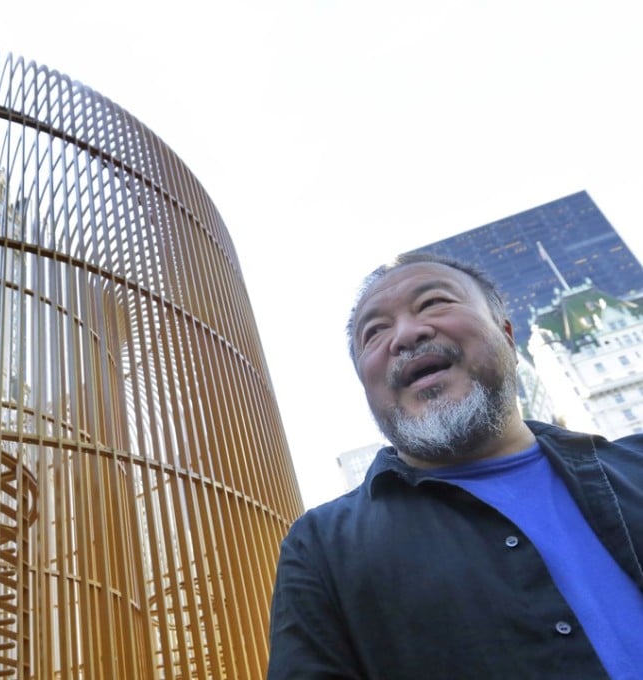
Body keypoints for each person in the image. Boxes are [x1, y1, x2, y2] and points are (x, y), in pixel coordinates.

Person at [267, 251, 643, 679]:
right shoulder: (319, 546)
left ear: (507, 336)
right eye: (374, 332)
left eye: (434, 303)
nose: (406, 335)